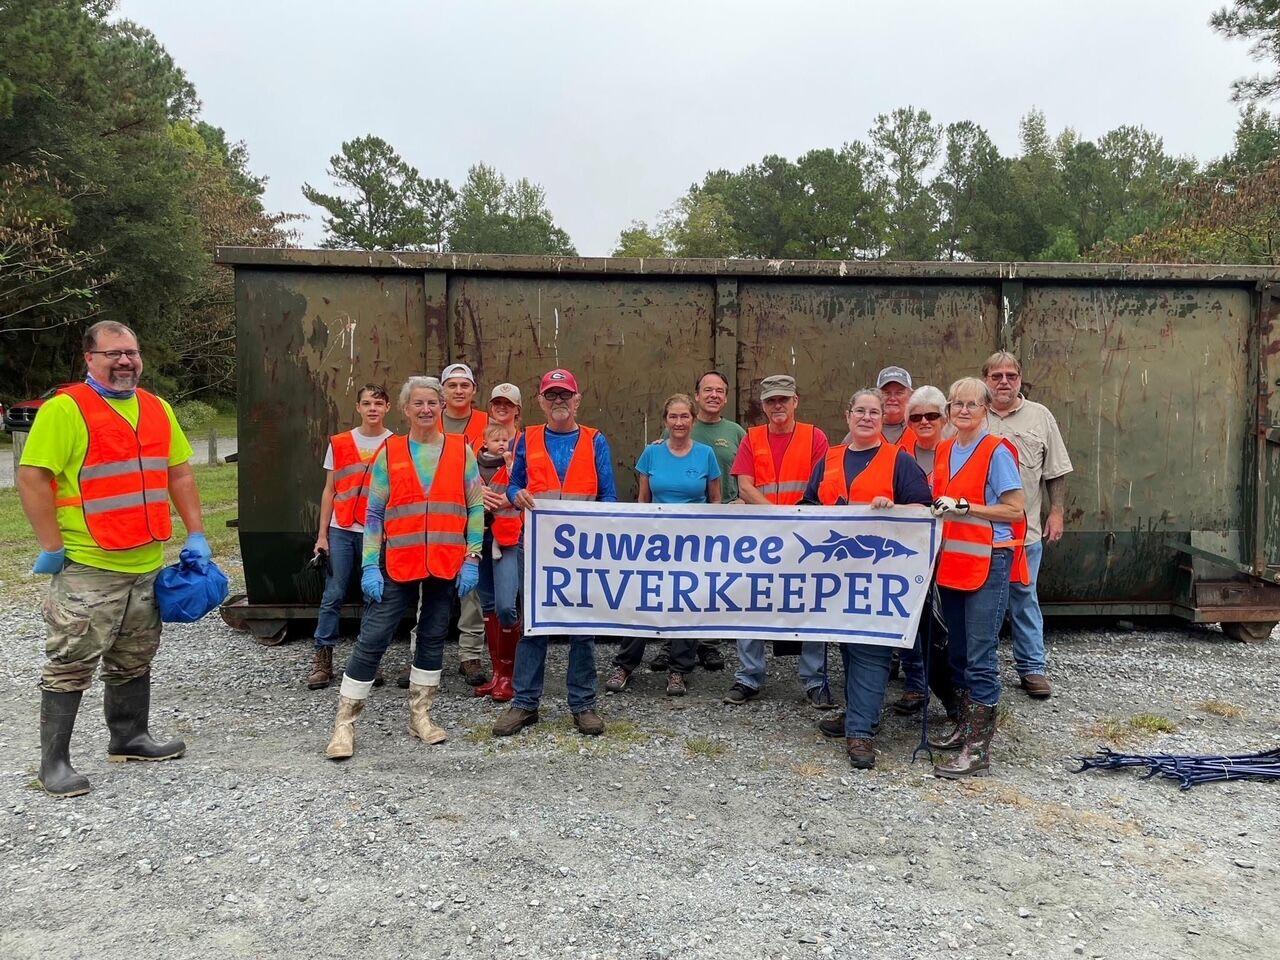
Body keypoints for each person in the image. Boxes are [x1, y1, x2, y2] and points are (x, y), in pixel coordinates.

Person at [17, 321, 206, 797]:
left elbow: (179, 474)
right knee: (71, 659)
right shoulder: (66, 410)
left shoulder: (157, 408)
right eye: (113, 354)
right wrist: (52, 545)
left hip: (145, 559)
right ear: (90, 359)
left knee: (134, 655)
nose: (125, 361)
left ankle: (129, 738)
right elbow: (33, 478)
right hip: (89, 563)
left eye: (132, 352)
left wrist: (197, 534)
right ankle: (53, 764)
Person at [325, 376, 484, 760]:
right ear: (406, 409)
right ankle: (344, 725)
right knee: (373, 637)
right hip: (398, 562)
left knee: (431, 638)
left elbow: (476, 505)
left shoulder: (462, 450)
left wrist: (472, 556)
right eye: (418, 403)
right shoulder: (390, 451)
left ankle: (421, 715)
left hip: (446, 564)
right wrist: (369, 566)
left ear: (443, 406)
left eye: (433, 402)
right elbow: (374, 513)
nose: (426, 409)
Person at [800, 388, 933, 769]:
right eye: (860, 410)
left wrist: (895, 508)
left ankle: (861, 730)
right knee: (846, 645)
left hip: (882, 580)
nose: (866, 417)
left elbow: (923, 510)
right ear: (848, 416)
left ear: (883, 419)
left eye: (874, 412)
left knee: (870, 650)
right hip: (837, 577)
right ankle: (861, 710)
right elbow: (807, 508)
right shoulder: (829, 459)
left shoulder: (899, 461)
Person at [492, 368, 618, 738]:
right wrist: (516, 495)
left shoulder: (595, 440)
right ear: (541, 402)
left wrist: (601, 531)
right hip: (538, 549)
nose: (559, 401)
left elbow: (608, 493)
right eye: (552, 396)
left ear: (577, 400)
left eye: (565, 395)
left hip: (583, 552)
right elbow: (515, 483)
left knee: (583, 627)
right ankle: (525, 703)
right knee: (534, 625)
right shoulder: (526, 438)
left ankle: (583, 704)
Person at [927, 377, 1029, 779]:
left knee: (981, 655)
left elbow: (1015, 509)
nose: (964, 411)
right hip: (952, 563)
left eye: (972, 404)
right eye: (957, 404)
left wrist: (968, 507)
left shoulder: (996, 451)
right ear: (949, 411)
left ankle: (978, 748)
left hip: (989, 562)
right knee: (958, 652)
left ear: (986, 409)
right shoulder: (945, 449)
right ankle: (965, 727)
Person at [726, 374, 833, 708]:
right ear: (764, 405)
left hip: (805, 537)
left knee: (812, 605)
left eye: (783, 400)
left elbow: (820, 486)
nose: (778, 406)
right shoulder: (752, 438)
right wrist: (777, 517)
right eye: (771, 401)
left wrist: (791, 521)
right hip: (761, 537)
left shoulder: (815, 437)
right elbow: (744, 485)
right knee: (751, 602)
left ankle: (815, 680)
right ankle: (748, 676)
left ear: (795, 401)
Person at [606, 394, 722, 698]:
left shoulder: (706, 454)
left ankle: (678, 671)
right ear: (665, 420)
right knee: (645, 600)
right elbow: (643, 499)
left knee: (685, 603)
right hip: (655, 542)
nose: (679, 423)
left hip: (693, 543)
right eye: (673, 417)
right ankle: (625, 665)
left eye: (685, 417)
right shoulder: (652, 454)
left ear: (693, 420)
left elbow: (716, 500)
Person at [983, 351, 1072, 699]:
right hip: (982, 534)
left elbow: (1056, 469)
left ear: (1020, 379)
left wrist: (1057, 511)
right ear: (986, 380)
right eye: (996, 376)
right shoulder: (973, 413)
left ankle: (1032, 668)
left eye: (1011, 375)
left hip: (1025, 534)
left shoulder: (1040, 416)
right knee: (983, 604)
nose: (1004, 381)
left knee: (1024, 598)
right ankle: (983, 669)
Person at [649, 370, 744, 674]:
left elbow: (746, 470)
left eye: (720, 390)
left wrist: (742, 500)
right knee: (677, 586)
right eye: (708, 390)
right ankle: (669, 645)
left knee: (710, 585)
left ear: (726, 397)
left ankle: (709, 644)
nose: (714, 395)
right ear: (697, 396)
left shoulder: (736, 432)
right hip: (679, 528)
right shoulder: (675, 430)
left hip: (723, 517)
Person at [306, 384, 393, 690]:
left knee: (374, 595)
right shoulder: (340, 443)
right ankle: (323, 660)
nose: (372, 408)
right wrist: (322, 535)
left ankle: (369, 659)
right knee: (334, 593)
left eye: (378, 403)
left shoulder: (396, 444)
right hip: (342, 529)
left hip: (376, 531)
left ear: (387, 408)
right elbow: (330, 490)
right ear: (358, 407)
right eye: (367, 403)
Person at [891, 385, 949, 715]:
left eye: (931, 415)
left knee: (945, 623)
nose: (924, 421)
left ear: (944, 417)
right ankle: (915, 684)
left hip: (952, 548)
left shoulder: (958, 449)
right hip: (909, 548)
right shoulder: (898, 452)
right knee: (911, 614)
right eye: (916, 417)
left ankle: (952, 689)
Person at [435, 362, 491, 689]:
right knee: (428, 585)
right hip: (437, 516)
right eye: (452, 385)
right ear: (443, 390)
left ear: (473, 390)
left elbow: (502, 457)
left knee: (471, 590)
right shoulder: (428, 421)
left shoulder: (487, 422)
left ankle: (470, 656)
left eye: (464, 385)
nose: (458, 390)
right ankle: (422, 654)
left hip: (473, 513)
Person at [473, 414, 522, 702]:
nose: (502, 443)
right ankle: (499, 675)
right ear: (485, 441)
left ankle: (511, 674)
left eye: (505, 440)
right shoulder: (471, 461)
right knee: (488, 605)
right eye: (496, 440)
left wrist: (507, 497)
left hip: (507, 538)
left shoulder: (516, 459)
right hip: (479, 537)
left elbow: (526, 486)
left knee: (506, 606)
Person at [841, 366, 916, 450]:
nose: (892, 398)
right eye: (886, 393)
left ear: (911, 396)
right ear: (877, 396)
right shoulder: (861, 431)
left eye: (899, 393)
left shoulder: (920, 430)